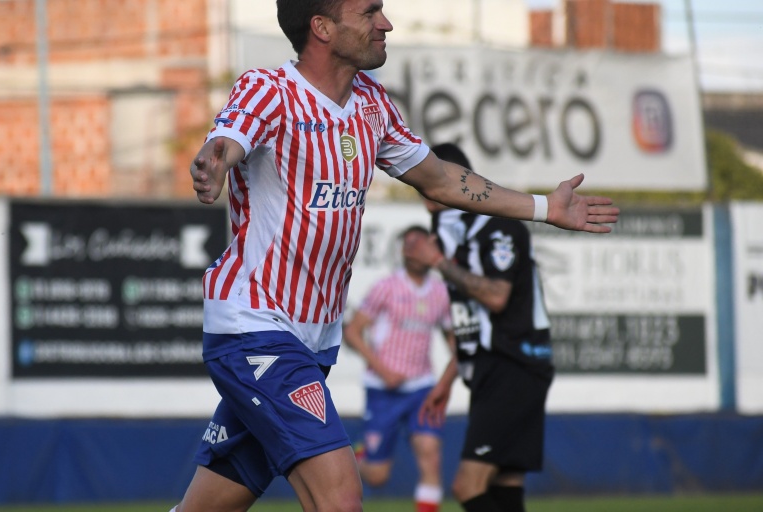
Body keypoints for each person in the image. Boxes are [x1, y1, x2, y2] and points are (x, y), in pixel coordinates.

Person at [177, 0, 618, 510]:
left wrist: (544, 207)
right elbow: (228, 140)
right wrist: (215, 160)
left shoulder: (371, 103)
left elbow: (438, 178)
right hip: (255, 326)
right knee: (341, 497)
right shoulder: (269, 89)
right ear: (321, 27)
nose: (385, 23)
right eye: (369, 13)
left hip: (313, 342)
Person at [413, 143, 554, 512]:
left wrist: (439, 263)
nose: (425, 190)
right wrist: (447, 380)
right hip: (497, 368)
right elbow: (471, 319)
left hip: (513, 365)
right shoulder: (456, 231)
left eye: (432, 179)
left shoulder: (498, 226)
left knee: (467, 485)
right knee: (506, 486)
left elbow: (496, 297)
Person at [342, 225, 454, 512]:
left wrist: (449, 378)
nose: (412, 249)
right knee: (378, 476)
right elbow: (353, 332)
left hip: (422, 387)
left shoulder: (441, 292)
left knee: (431, 456)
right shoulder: (387, 287)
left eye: (419, 244)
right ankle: (361, 454)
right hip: (384, 389)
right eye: (408, 244)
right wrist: (382, 370)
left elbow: (452, 339)